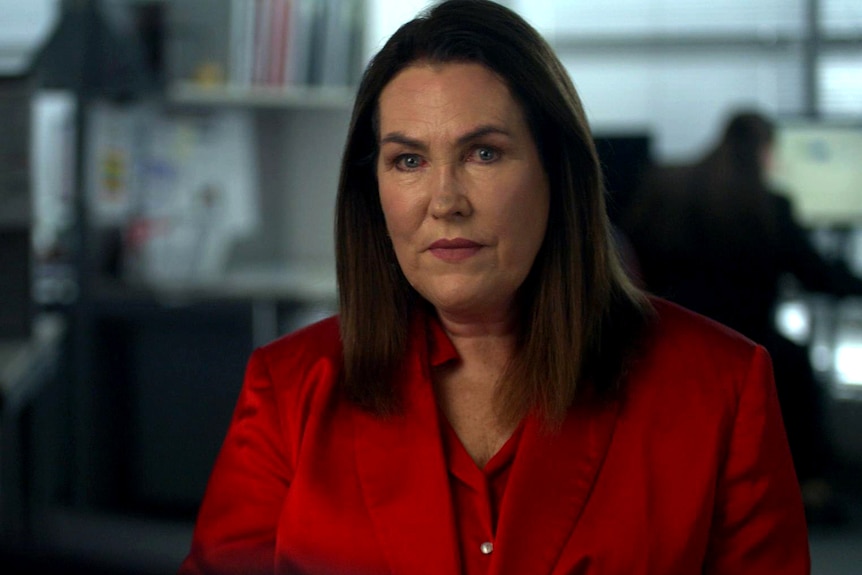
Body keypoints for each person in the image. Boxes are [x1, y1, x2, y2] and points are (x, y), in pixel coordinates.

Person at [179, 3, 809, 574]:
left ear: (557, 172)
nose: (445, 201)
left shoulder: (721, 388)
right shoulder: (291, 390)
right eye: (408, 160)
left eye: (483, 153)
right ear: (372, 191)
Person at [620, 110, 862, 523]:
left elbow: (628, 261)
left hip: (664, 339)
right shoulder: (765, 204)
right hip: (747, 343)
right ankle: (809, 486)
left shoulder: (666, 189)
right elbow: (815, 274)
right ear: (765, 151)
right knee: (795, 372)